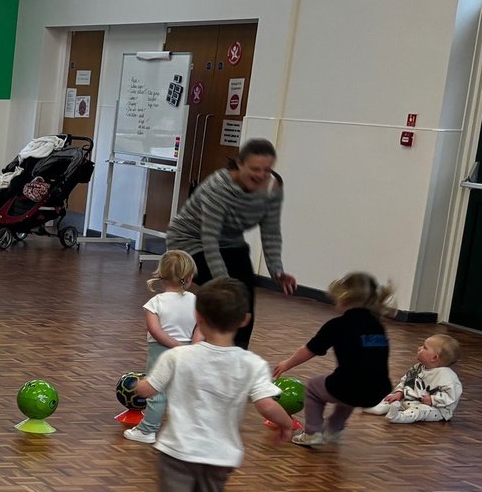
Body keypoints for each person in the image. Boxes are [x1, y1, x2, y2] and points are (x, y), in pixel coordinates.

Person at [133, 278, 296, 492]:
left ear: (198, 316)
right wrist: (286, 425)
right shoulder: (252, 364)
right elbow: (267, 405)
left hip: (177, 452)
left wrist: (136, 385)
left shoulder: (179, 357)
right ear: (245, 320)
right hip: (221, 457)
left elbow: (148, 390)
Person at [165, 138, 297, 350]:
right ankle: (206, 346)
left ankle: (237, 352)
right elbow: (209, 239)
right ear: (240, 164)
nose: (261, 175)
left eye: (266, 170)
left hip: (231, 242)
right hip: (190, 242)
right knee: (226, 295)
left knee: (245, 297)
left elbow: (271, 232)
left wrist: (277, 271)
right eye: (255, 169)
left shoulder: (272, 188)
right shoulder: (219, 186)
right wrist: (224, 281)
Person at [270, 272, 393, 448]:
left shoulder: (337, 325)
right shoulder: (378, 325)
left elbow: (309, 350)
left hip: (350, 387)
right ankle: (334, 429)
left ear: (343, 297)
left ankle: (312, 433)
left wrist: (286, 364)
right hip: (379, 389)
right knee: (350, 390)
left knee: (314, 387)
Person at [125, 249, 200, 445]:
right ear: (189, 277)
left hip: (160, 351)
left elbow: (155, 330)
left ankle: (147, 431)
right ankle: (185, 433)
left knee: (157, 392)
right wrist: (192, 347)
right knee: (183, 393)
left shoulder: (155, 303)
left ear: (161, 275)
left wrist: (175, 345)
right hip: (189, 353)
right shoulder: (196, 301)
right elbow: (202, 326)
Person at [370, 334, 463, 424]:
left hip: (436, 409)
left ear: (434, 358)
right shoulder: (418, 367)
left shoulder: (447, 376)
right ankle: (380, 407)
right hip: (411, 401)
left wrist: (433, 400)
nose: (419, 348)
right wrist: (399, 392)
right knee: (393, 398)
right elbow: (406, 381)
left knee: (421, 411)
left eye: (424, 347)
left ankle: (399, 417)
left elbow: (451, 396)